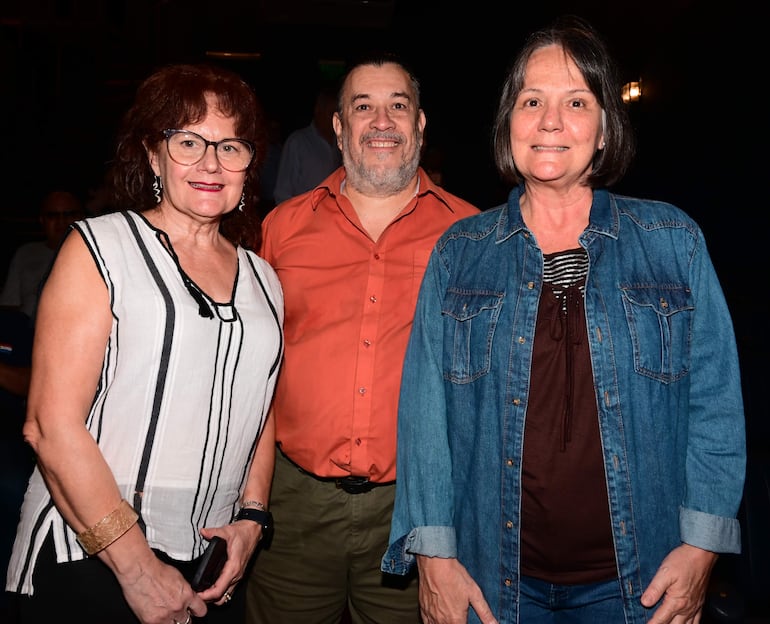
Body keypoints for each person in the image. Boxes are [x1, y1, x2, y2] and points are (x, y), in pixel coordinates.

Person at [382, 15, 746, 624]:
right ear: (509, 124)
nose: (550, 121)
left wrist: (702, 548)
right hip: (492, 583)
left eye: (576, 102)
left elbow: (716, 407)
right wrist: (434, 558)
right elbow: (425, 420)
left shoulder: (671, 242)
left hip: (641, 583)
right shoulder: (460, 253)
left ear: (604, 130)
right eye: (532, 101)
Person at [5, 62, 284, 624]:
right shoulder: (101, 248)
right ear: (154, 156)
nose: (211, 163)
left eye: (230, 147)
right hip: (91, 555)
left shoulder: (263, 277)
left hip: (211, 562)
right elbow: (50, 426)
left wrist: (252, 519)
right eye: (189, 142)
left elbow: (261, 405)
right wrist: (137, 569)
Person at [245, 53, 479, 624]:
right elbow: (251, 370)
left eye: (397, 106)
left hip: (418, 508)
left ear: (419, 123)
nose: (381, 122)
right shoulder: (282, 228)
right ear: (339, 126)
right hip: (293, 505)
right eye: (363, 106)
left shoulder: (471, 234)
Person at [0, 190, 85, 322]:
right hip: (28, 327)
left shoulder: (94, 253)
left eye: (69, 214)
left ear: (81, 218)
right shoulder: (26, 253)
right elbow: (9, 305)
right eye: (52, 215)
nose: (61, 221)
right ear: (42, 220)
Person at [271, 83, 342, 204]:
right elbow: (282, 193)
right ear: (318, 110)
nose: (335, 120)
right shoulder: (298, 142)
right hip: (304, 214)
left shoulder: (341, 144)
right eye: (331, 114)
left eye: (339, 116)